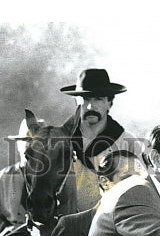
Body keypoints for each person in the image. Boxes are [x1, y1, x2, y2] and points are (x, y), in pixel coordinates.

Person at [56, 68, 138, 217]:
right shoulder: (61, 141)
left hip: (112, 226)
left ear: (109, 103)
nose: (90, 107)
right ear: (76, 101)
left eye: (98, 99)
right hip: (67, 225)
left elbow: (139, 190)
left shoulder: (128, 143)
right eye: (85, 99)